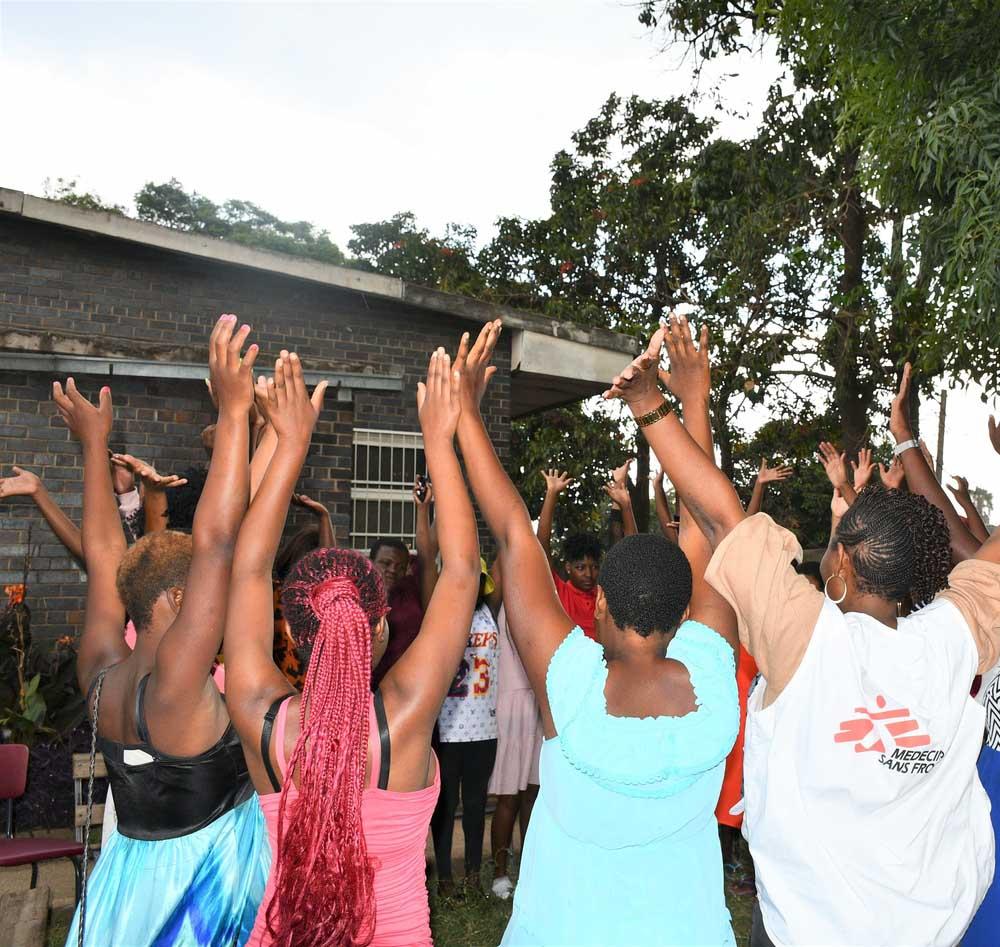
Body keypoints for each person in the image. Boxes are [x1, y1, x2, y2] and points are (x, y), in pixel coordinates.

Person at [605, 319, 1000, 947]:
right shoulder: (954, 637)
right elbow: (993, 561)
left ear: (839, 561)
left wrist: (651, 402)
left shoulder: (805, 637)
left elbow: (717, 515)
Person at [455, 320, 740, 946]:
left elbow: (511, 532)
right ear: (682, 610)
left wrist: (467, 415)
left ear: (600, 602)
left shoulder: (572, 684)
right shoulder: (716, 684)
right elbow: (714, 529)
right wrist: (687, 398)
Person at [223, 346, 481, 946]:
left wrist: (289, 444)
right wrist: (441, 439)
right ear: (381, 629)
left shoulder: (258, 715)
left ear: (289, 630)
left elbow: (247, 568)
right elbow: (463, 568)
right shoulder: (407, 718)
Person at [63, 315, 268, 946]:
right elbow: (216, 542)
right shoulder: (176, 682)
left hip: (127, 879)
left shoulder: (101, 672)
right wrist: (234, 415)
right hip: (203, 890)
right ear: (179, 600)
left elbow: (103, 554)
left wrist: (92, 449)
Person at [431, 556, 500, 895]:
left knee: (475, 805)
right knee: (444, 805)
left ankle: (473, 877)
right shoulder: (440, 610)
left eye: (478, 579)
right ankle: (444, 878)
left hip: (484, 730)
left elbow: (509, 544)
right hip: (446, 728)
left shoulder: (491, 612)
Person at [487, 564, 542, 901]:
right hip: (509, 707)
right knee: (508, 796)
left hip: (537, 705)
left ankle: (531, 869)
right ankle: (499, 873)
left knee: (533, 795)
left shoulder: (540, 605)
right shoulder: (497, 606)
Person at [370, 480, 438, 684]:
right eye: (386, 563)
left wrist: (424, 508)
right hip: (372, 691)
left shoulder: (411, 590)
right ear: (371, 563)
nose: (392, 570)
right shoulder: (358, 597)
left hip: (411, 689)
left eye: (400, 567)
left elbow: (428, 555)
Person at [537, 468, 603, 640]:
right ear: (568, 567)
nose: (589, 574)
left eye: (594, 567)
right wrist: (551, 493)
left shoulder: (603, 595)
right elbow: (542, 546)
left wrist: (623, 504)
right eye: (580, 567)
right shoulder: (560, 592)